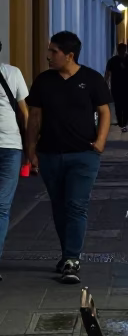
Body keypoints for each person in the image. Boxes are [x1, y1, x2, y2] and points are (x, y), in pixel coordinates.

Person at [26, 31, 111, 285]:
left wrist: (100, 144)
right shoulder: (44, 81)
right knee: (59, 207)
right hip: (50, 154)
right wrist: (30, 150)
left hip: (84, 155)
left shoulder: (91, 79)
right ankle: (67, 254)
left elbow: (104, 112)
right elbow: (34, 118)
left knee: (76, 205)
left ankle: (72, 259)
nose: (49, 56)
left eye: (54, 51)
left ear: (69, 55)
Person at [0, 41, 29, 278]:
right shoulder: (12, 72)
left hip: (10, 145)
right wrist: (31, 147)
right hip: (11, 145)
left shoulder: (12, 72)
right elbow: (25, 113)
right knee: (2, 207)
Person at [105, 43, 128, 133]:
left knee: (119, 105)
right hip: (126, 87)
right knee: (126, 106)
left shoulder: (112, 60)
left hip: (117, 86)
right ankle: (123, 123)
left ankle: (121, 122)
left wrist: (105, 84)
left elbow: (107, 74)